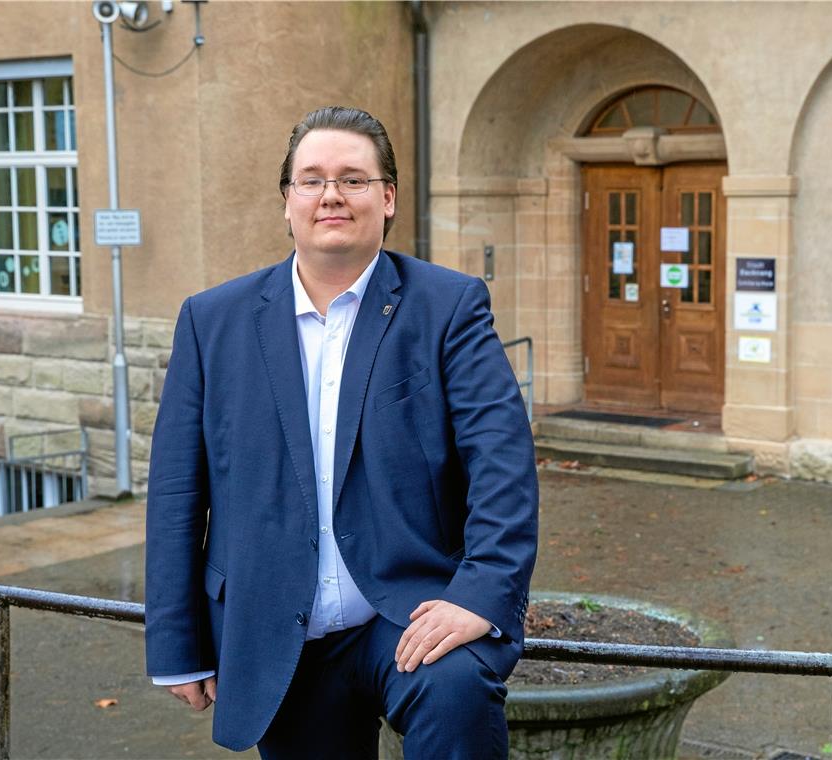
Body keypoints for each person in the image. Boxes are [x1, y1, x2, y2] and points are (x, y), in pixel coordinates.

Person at [145, 105, 539, 759]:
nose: (331, 195)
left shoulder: (449, 307)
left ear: (387, 198)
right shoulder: (211, 321)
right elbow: (176, 492)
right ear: (288, 201)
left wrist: (480, 595)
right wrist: (176, 643)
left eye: (354, 179)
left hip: (408, 611)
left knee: (457, 690)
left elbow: (502, 463)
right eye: (312, 180)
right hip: (274, 624)